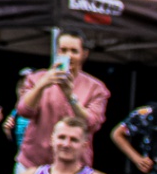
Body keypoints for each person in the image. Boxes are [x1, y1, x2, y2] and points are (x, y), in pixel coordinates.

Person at [13, 31, 109, 166]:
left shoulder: (96, 88)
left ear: (84, 54)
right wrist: (42, 85)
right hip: (33, 162)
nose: (68, 56)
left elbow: (91, 124)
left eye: (74, 51)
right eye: (63, 50)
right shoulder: (37, 78)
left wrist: (70, 96)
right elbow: (23, 111)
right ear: (57, 51)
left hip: (73, 166)